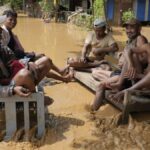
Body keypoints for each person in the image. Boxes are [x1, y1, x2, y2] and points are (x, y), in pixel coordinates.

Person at [90, 18, 148, 111]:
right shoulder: (129, 41)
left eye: (132, 28)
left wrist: (127, 59)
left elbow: (143, 59)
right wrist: (121, 57)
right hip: (121, 72)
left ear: (139, 28)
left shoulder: (140, 38)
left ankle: (92, 112)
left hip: (129, 76)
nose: (129, 30)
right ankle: (113, 82)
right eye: (127, 28)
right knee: (95, 72)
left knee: (101, 85)